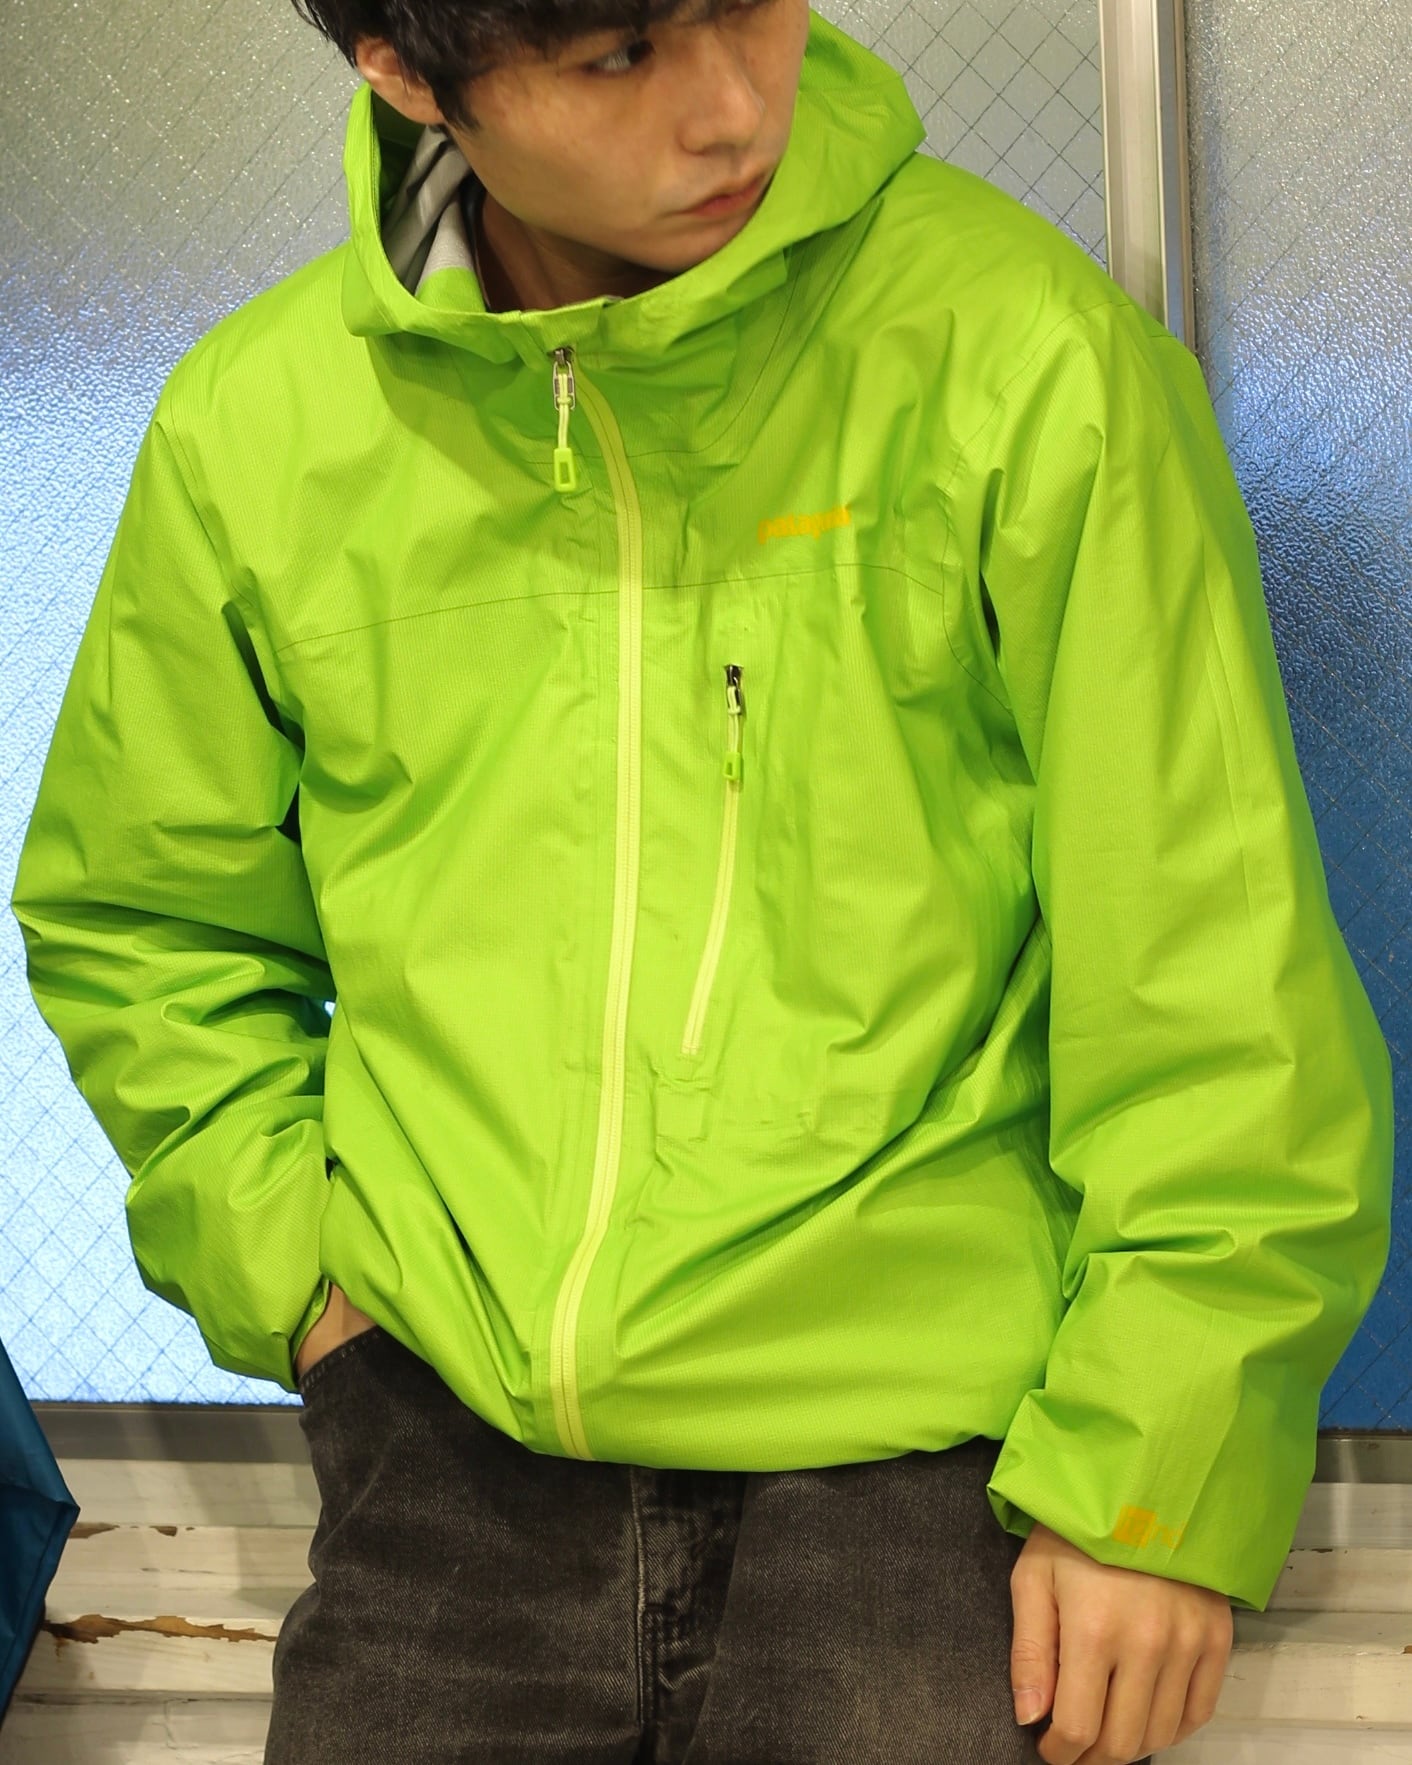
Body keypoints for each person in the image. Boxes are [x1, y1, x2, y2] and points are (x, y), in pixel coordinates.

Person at [8, 0, 1394, 1760]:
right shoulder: (258, 425)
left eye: (752, 4)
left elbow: (1212, 957)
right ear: (406, 71)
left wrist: (1154, 1468)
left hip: (923, 1480)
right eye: (619, 57)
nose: (736, 107)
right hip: (444, 1459)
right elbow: (143, 919)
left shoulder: (1025, 354)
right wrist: (300, 1279)